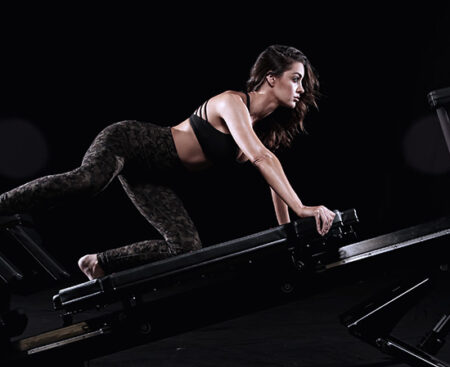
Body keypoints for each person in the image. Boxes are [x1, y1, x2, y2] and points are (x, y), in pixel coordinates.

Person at [0, 44, 335, 280]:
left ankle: (94, 263)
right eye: (296, 78)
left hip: (152, 176)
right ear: (271, 78)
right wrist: (304, 208)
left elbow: (271, 177)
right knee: (88, 181)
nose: (302, 89)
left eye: (302, 81)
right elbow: (262, 158)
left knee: (184, 247)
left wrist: (288, 231)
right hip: (130, 142)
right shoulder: (232, 103)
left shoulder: (261, 130)